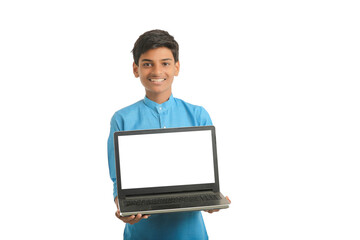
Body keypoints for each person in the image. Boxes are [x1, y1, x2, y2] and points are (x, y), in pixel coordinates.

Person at [107, 29, 230, 240]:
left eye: (165, 63)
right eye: (147, 64)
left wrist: (211, 199)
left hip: (191, 235)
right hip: (142, 235)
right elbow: (118, 180)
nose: (157, 71)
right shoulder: (122, 119)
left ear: (176, 67)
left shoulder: (198, 114)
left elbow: (206, 174)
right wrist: (124, 207)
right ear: (135, 69)